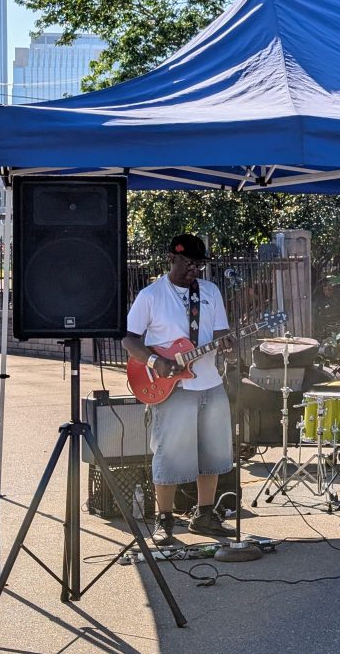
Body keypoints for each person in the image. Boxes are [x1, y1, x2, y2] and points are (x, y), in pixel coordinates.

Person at [122, 234, 237, 546]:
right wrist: (155, 361)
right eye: (189, 262)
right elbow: (129, 339)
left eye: (199, 264)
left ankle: (205, 514)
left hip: (210, 382)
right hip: (172, 388)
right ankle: (165, 520)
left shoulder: (210, 292)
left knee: (213, 450)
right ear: (171, 258)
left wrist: (227, 343)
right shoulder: (151, 295)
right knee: (170, 453)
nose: (194, 269)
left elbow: (221, 331)